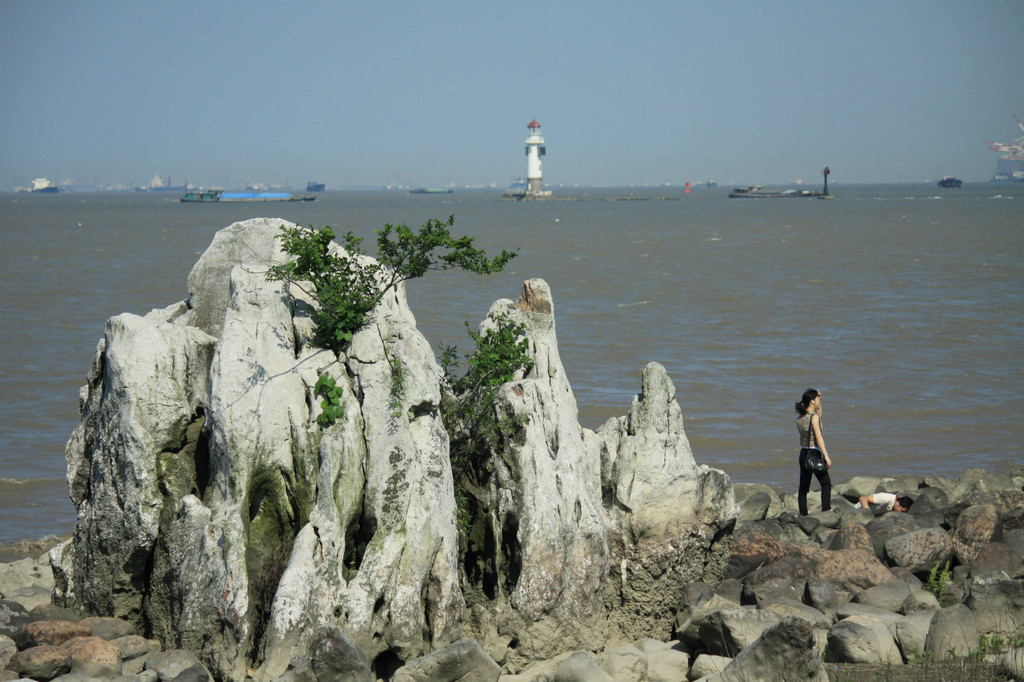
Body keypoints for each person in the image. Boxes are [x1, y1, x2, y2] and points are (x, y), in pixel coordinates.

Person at [795, 387, 831, 515]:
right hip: (814, 454)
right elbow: (818, 436)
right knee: (826, 484)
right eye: (817, 399)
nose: (819, 401)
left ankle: (803, 515)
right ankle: (826, 511)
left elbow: (818, 418)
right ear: (812, 401)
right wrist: (826, 456)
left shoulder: (800, 417)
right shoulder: (813, 417)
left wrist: (819, 401)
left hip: (803, 454)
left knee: (803, 488)